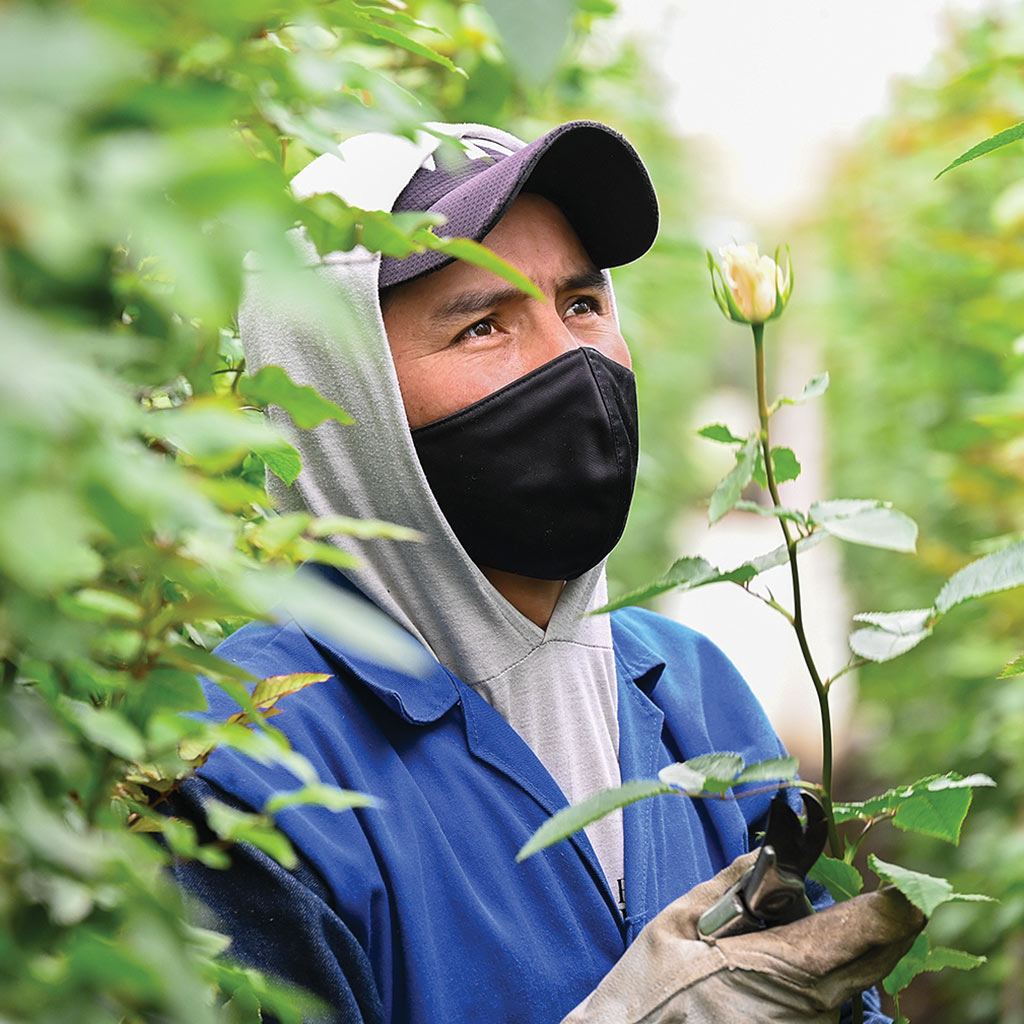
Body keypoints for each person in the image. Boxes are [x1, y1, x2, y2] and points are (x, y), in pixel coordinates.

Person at [170, 120, 921, 1023]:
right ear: (341, 395)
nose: (570, 362)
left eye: (581, 305)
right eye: (484, 325)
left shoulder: (689, 690)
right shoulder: (250, 768)